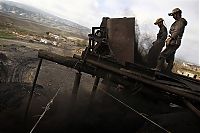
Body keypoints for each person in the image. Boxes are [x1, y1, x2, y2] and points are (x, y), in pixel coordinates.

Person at [155, 8, 187, 72]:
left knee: (162, 55)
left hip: (174, 42)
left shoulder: (180, 22)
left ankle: (158, 69)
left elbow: (177, 31)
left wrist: (171, 38)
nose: (173, 17)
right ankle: (168, 71)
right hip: (174, 41)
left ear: (177, 14)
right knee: (170, 58)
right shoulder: (177, 22)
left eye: (174, 15)